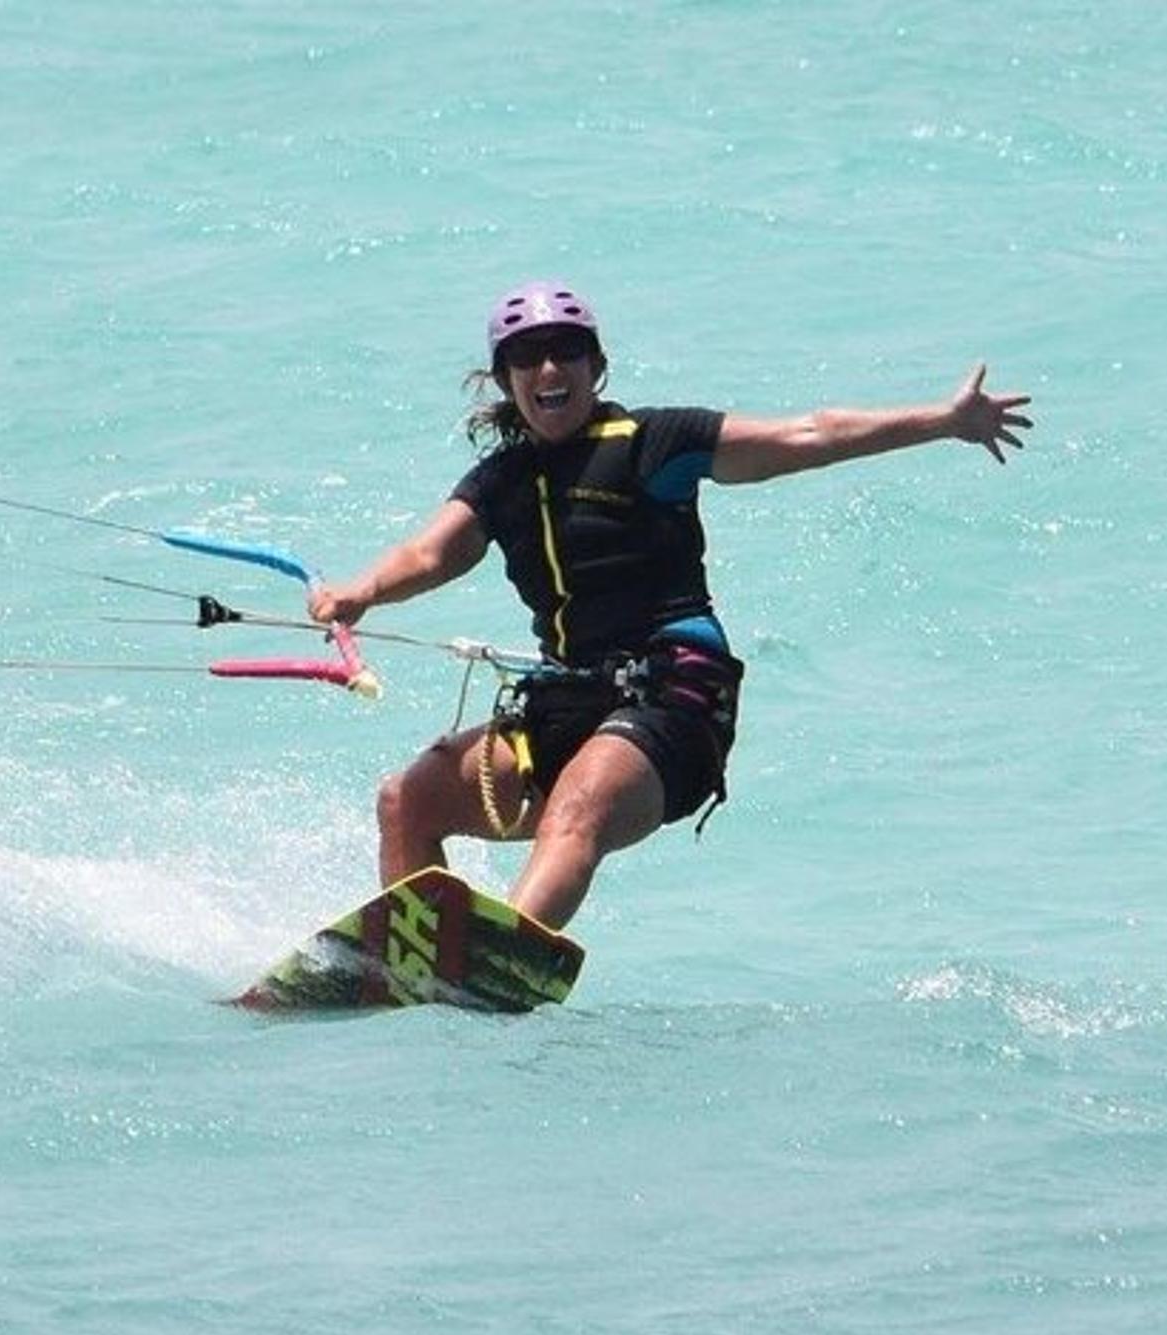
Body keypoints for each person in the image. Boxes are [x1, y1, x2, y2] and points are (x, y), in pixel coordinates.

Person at [308, 281, 1032, 932]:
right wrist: (361, 590)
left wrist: (943, 420)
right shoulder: (502, 480)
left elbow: (808, 434)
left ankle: (508, 955)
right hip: (566, 699)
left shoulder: (655, 444)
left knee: (578, 807)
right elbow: (431, 554)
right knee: (409, 800)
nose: (549, 369)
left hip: (675, 698)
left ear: (597, 366)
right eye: (527, 356)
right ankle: (415, 956)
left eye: (567, 351)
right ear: (506, 379)